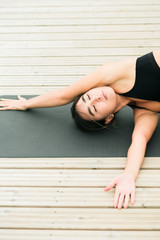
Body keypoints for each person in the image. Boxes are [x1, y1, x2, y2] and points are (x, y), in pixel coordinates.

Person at [0, 50, 160, 210]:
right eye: (95, 108)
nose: (96, 98)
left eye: (87, 97)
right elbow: (140, 139)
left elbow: (63, 95)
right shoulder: (145, 110)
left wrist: (27, 103)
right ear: (109, 118)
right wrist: (129, 176)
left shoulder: (112, 74)